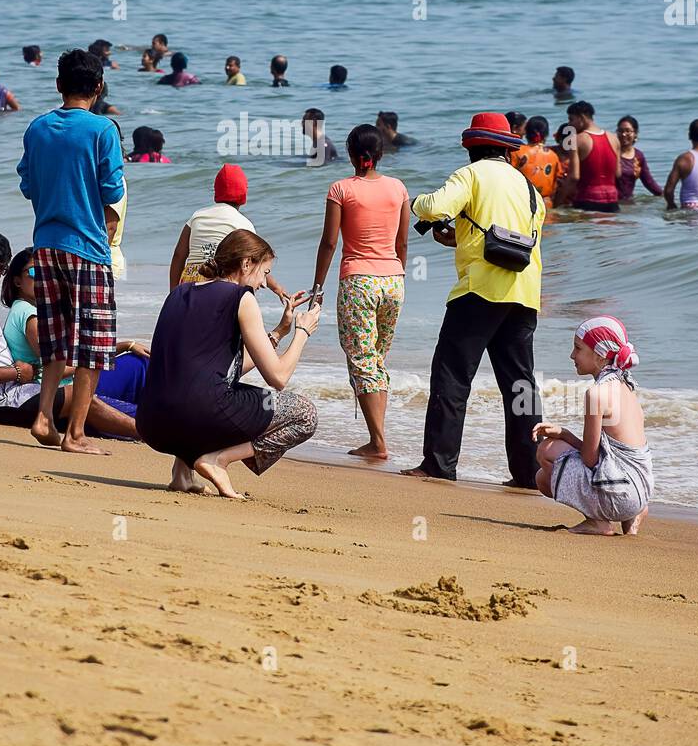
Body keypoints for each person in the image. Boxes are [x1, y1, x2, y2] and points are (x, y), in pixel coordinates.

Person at [403, 111, 545, 488]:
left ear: (472, 149)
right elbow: (512, 240)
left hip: (478, 293)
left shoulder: (471, 175)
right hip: (524, 295)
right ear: (506, 148)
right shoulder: (529, 188)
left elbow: (436, 207)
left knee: (451, 376)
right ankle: (530, 473)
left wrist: (414, 203)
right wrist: (458, 238)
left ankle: (439, 464)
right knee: (520, 387)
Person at [137, 229, 320, 499]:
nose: (263, 283)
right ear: (246, 263)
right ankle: (219, 460)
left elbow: (223, 368)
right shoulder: (241, 297)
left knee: (197, 389)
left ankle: (181, 473)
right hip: (198, 414)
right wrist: (302, 333)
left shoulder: (179, 292)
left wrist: (279, 333)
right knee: (305, 415)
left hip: (152, 423)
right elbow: (278, 377)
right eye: (265, 272)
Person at [17, 47, 125, 453]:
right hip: (88, 247)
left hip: (46, 245)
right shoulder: (102, 131)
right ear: (98, 87)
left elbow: (27, 183)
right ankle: (76, 434)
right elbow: (112, 189)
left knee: (57, 340)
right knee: (95, 345)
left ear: (59, 85)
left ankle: (44, 417)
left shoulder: (37, 128)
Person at [0, 228, 137, 440]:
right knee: (80, 398)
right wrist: (18, 372)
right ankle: (148, 435)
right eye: (2, 271)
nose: (0, 276)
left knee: (78, 407)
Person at [312, 125, 410, 460]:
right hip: (393, 281)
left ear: (352, 153)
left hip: (358, 282)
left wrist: (318, 286)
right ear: (379, 154)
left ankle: (378, 442)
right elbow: (402, 244)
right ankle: (376, 438)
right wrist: (398, 275)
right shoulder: (398, 188)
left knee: (362, 360)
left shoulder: (341, 189)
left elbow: (329, 242)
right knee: (376, 360)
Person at [1, 247, 149, 423]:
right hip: (63, 390)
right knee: (139, 367)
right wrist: (120, 348)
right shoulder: (28, 314)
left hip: (68, 383)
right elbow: (56, 369)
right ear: (17, 281)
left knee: (138, 367)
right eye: (35, 272)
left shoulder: (31, 311)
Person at [533, 316, 652, 536]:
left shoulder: (597, 394)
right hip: (642, 490)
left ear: (599, 355)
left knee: (546, 454)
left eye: (577, 348)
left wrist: (565, 436)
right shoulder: (626, 386)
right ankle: (633, 515)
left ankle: (597, 521)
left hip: (622, 494)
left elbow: (590, 458)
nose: (572, 355)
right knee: (545, 471)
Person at [168, 163, 285, 298]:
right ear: (244, 194)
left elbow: (178, 255)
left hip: (189, 283)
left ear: (216, 192)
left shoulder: (197, 216)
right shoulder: (243, 224)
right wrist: (277, 288)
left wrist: (173, 293)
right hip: (220, 285)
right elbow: (257, 266)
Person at [559, 102, 621, 212]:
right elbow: (618, 173)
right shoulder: (614, 138)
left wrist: (558, 201)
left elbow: (574, 177)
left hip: (587, 200)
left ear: (581, 117)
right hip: (612, 201)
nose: (569, 124)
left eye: (571, 119)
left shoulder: (576, 140)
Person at [511, 116, 562, 202]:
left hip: (522, 201)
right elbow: (557, 182)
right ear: (546, 135)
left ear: (526, 133)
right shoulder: (553, 156)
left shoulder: (516, 152)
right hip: (545, 202)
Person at [663, 118, 698, 210]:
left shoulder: (684, 159)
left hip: (690, 209)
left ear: (689, 135)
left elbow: (668, 190)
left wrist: (671, 205)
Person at [616, 116, 663, 201]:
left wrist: (665, 196)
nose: (623, 134)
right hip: (609, 204)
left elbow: (649, 182)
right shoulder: (611, 152)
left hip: (628, 205)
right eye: (620, 131)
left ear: (635, 134)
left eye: (628, 131)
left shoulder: (638, 156)